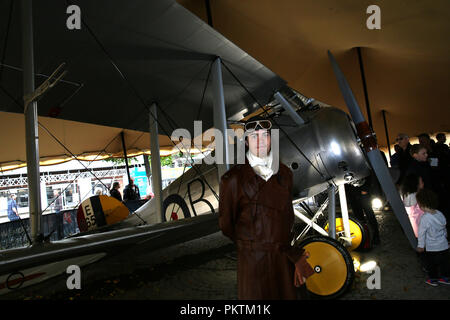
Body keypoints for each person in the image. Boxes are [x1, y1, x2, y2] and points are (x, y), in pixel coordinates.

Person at [219, 115, 314, 300]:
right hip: (253, 262)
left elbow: (288, 217)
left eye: (265, 135)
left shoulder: (285, 173)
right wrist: (252, 245)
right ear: (246, 141)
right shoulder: (231, 179)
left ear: (271, 139)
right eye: (254, 136)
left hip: (283, 258)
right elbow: (226, 225)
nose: (260, 141)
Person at [416, 189, 450, 286]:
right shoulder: (439, 213)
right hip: (443, 245)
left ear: (422, 204)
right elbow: (444, 228)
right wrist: (446, 239)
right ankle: (446, 278)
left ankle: (433, 279)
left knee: (431, 264)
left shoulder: (425, 218)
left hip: (432, 247)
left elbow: (421, 234)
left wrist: (420, 246)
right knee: (444, 263)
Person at [345, 171, 381, 246]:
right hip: (353, 194)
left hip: (362, 193)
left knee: (370, 215)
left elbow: (368, 173)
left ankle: (375, 236)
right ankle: (363, 238)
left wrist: (365, 189)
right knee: (359, 217)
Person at [400, 174, 425, 238]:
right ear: (416, 184)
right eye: (421, 182)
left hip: (411, 228)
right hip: (420, 229)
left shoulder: (405, 195)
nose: (423, 183)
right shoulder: (417, 197)